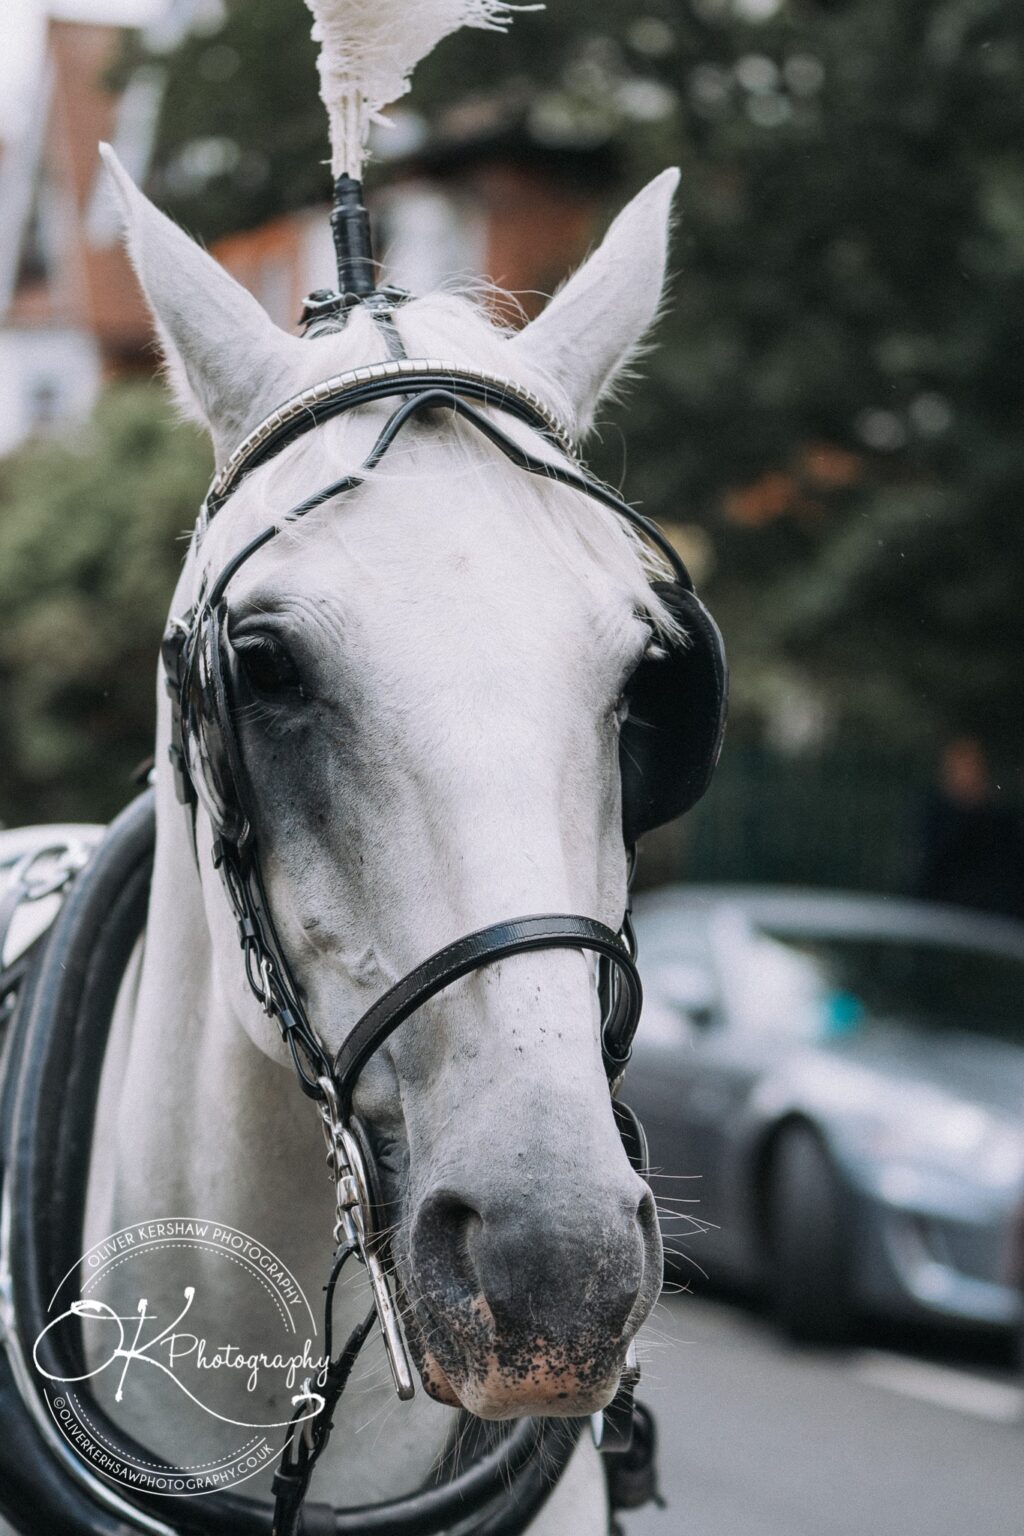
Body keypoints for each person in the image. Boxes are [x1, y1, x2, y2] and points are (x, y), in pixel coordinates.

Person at [915, 737, 1024, 920]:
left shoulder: (1004, 824)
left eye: (973, 765)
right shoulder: (932, 819)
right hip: (940, 921)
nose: (966, 773)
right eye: (959, 765)